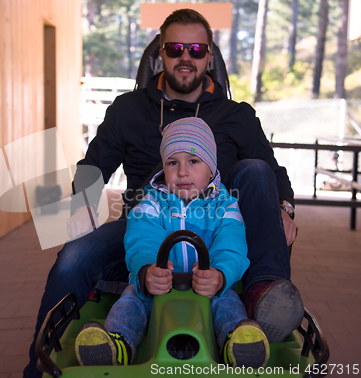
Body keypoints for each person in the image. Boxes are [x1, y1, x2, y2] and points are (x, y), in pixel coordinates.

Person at [24, 9, 303, 377]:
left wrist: (283, 206)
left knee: (254, 169)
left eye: (196, 49)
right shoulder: (128, 109)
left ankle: (263, 295)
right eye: (174, 48)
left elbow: (272, 170)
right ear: (160, 52)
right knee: (73, 257)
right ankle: (37, 369)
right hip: (145, 221)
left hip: (217, 218)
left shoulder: (237, 115)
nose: (185, 56)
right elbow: (93, 167)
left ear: (210, 55)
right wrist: (81, 205)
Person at [74, 117, 270, 368]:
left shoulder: (225, 205)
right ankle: (118, 343)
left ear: (211, 168)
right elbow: (141, 240)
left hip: (207, 284)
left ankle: (237, 343)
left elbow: (232, 246)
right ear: (164, 168)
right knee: (132, 297)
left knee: (228, 300)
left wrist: (220, 275)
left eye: (194, 161)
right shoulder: (151, 203)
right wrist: (146, 271)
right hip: (160, 283)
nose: (182, 171)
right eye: (173, 162)